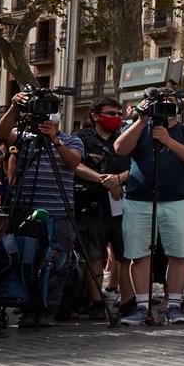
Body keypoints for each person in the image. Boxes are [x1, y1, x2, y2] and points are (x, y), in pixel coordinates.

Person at [0, 90, 86, 327]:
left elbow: (73, 162)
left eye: (53, 109)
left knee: (57, 262)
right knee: (27, 259)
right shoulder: (24, 138)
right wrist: (14, 107)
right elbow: (2, 133)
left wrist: (56, 141)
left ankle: (48, 310)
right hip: (26, 210)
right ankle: (26, 307)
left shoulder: (71, 139)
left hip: (60, 213)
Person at [112, 98, 184, 324]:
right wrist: (142, 120)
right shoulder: (139, 128)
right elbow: (120, 148)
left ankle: (173, 305)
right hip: (139, 201)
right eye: (159, 105)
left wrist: (167, 140)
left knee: (179, 254)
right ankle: (142, 307)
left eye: (170, 105)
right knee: (138, 254)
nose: (164, 109)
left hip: (177, 202)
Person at [73, 97, 131, 310]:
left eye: (118, 114)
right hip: (91, 203)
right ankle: (96, 302)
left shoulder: (123, 139)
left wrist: (119, 179)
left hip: (121, 203)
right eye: (111, 113)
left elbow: (136, 165)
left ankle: (127, 300)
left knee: (125, 254)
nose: (116, 118)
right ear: (95, 115)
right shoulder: (81, 138)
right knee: (94, 254)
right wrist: (102, 180)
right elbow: (74, 164)